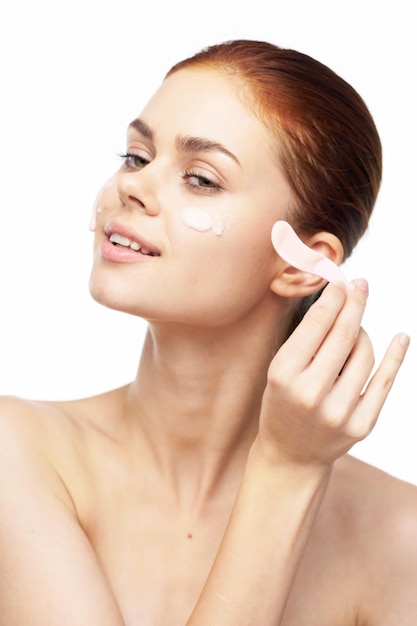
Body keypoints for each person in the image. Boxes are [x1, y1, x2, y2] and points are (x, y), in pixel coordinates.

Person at [0, 38, 416, 626]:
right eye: (137, 156)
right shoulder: (17, 452)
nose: (131, 187)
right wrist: (285, 471)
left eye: (200, 178)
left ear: (300, 264)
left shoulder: (399, 536)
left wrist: (289, 467)